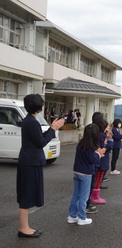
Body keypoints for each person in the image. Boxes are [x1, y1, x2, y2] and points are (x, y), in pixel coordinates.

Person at [16, 94, 64, 238]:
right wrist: (53, 128)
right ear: (39, 107)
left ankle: (25, 227)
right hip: (30, 163)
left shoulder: (30, 120)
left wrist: (51, 128)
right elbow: (41, 142)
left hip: (29, 162)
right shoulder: (32, 122)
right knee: (27, 195)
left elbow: (38, 139)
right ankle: (23, 228)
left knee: (27, 193)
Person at [67, 124, 106, 226]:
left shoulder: (81, 143)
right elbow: (92, 159)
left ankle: (72, 216)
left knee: (76, 195)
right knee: (84, 196)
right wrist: (99, 153)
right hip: (86, 173)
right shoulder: (90, 146)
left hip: (77, 172)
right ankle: (82, 218)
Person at [91, 118, 113, 204]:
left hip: (100, 160)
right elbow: (106, 148)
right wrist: (110, 140)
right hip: (101, 160)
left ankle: (94, 196)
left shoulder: (98, 134)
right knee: (98, 179)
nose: (108, 127)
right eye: (107, 126)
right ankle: (95, 197)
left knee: (97, 179)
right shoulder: (101, 135)